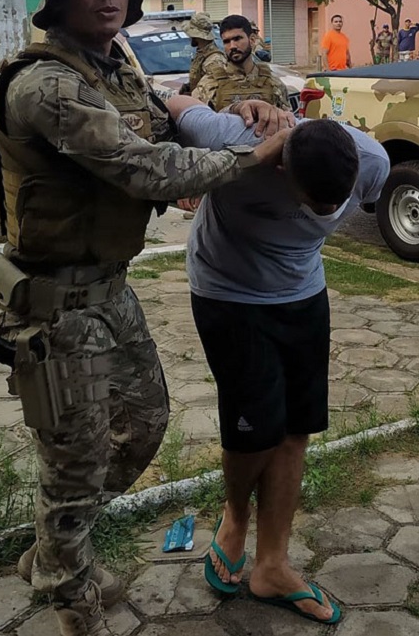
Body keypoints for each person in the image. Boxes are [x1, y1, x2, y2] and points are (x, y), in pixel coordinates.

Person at [0, 0, 292, 636]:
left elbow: (166, 125)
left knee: (143, 426)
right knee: (77, 456)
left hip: (111, 291)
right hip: (56, 302)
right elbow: (145, 168)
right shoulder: (46, 85)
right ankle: (71, 592)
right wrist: (254, 155)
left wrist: (233, 115)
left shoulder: (113, 65)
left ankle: (54, 549)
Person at [163, 95, 390, 625]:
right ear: (280, 164)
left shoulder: (371, 160)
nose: (329, 214)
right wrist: (240, 103)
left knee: (294, 429)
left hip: (302, 294)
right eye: (316, 203)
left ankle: (272, 566)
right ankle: (235, 520)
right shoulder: (228, 137)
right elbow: (175, 104)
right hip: (228, 293)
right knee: (253, 431)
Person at [193, 14, 290, 112]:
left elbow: (288, 122)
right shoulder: (209, 84)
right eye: (226, 41)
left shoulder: (273, 83)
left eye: (237, 39)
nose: (232, 46)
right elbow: (197, 122)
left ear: (251, 40)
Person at [180, 11, 226, 94]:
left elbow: (217, 89)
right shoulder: (201, 54)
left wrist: (192, 95)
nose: (189, 37)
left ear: (195, 36)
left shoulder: (214, 59)